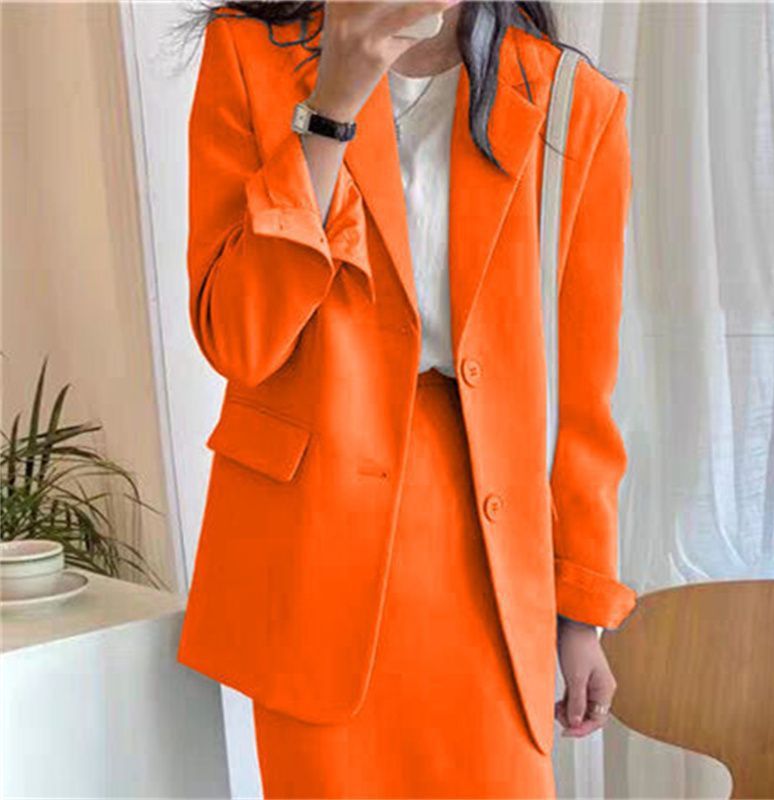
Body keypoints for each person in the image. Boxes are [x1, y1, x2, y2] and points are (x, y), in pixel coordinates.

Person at [177, 1, 638, 797]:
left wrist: (579, 610)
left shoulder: (571, 101)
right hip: (312, 558)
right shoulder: (250, 54)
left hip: (491, 560)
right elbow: (240, 339)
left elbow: (582, 390)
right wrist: (330, 110)